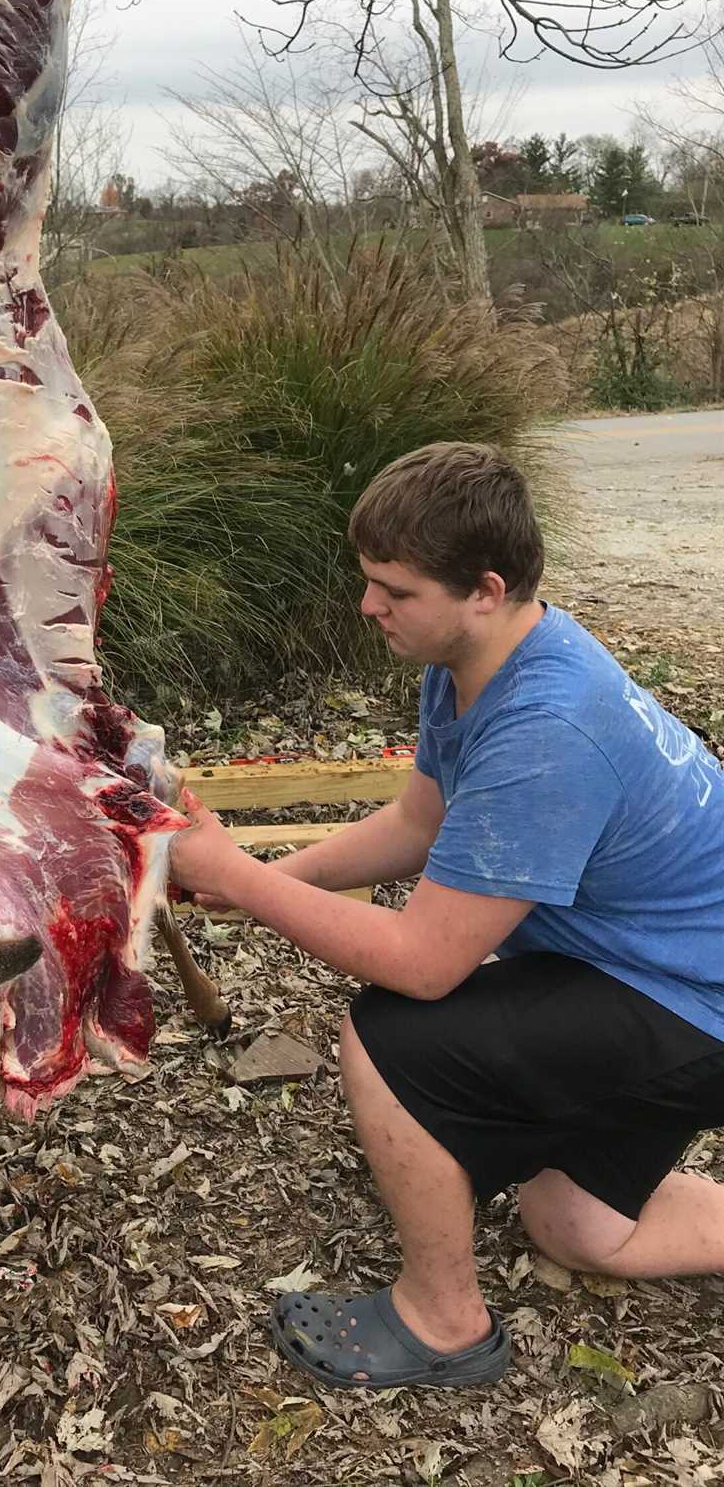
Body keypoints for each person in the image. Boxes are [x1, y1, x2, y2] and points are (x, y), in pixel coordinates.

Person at [170, 441, 724, 1391]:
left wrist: (249, 882)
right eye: (368, 580)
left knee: (393, 1039)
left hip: (694, 999)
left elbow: (426, 962)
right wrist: (259, 875)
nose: (368, 605)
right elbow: (420, 820)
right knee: (578, 1227)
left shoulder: (549, 729)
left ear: (485, 587)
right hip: (656, 967)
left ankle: (443, 1323)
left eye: (394, 588)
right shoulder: (480, 656)